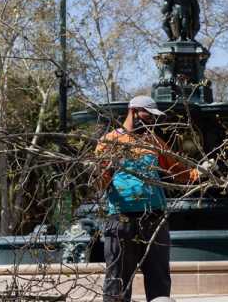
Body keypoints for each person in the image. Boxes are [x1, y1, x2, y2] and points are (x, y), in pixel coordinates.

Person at [95, 95, 197, 302]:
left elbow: (178, 171)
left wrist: (199, 173)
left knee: (159, 278)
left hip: (154, 219)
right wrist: (105, 169)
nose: (152, 120)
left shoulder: (153, 142)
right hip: (121, 221)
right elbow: (98, 184)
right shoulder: (108, 142)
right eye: (148, 115)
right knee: (117, 281)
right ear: (134, 112)